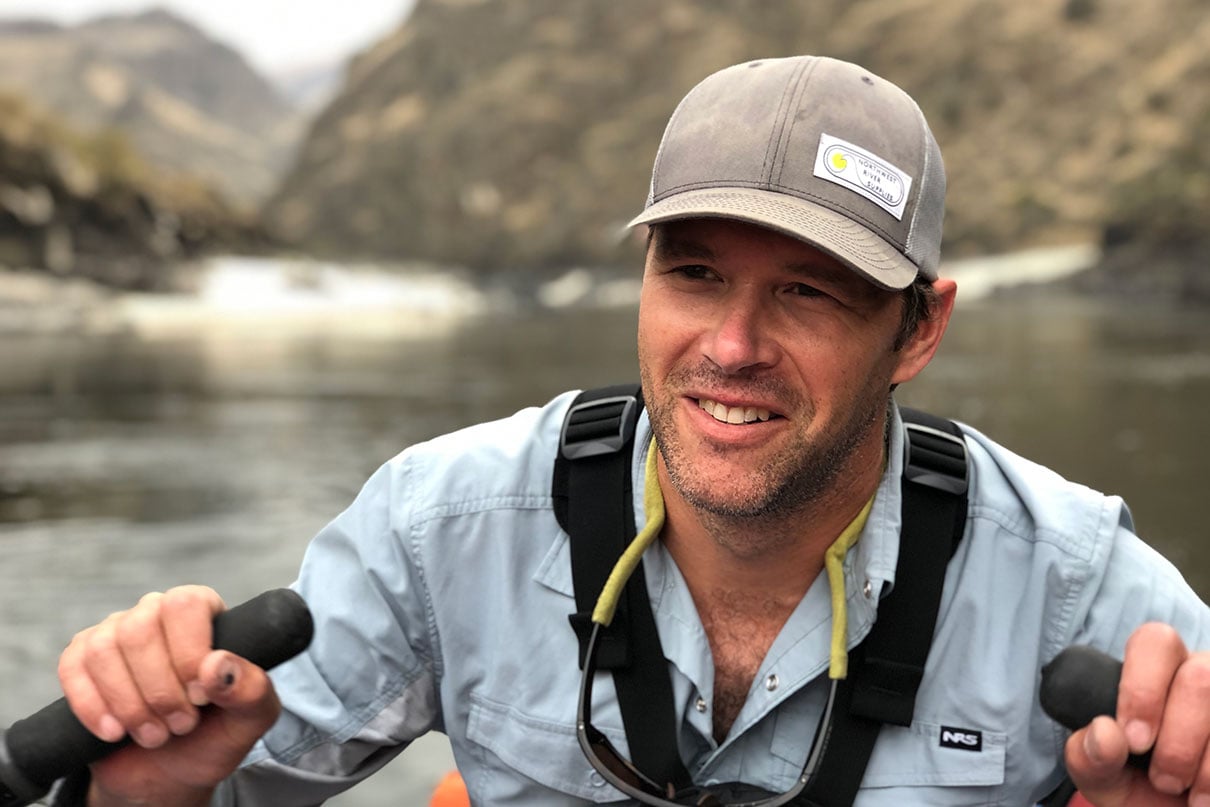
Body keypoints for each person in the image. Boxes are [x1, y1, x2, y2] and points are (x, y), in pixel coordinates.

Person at [49, 55, 1210, 806]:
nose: (733, 344)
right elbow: (214, 785)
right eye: (694, 273)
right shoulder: (439, 528)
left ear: (917, 331)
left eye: (809, 292)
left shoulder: (1081, 587)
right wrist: (149, 790)